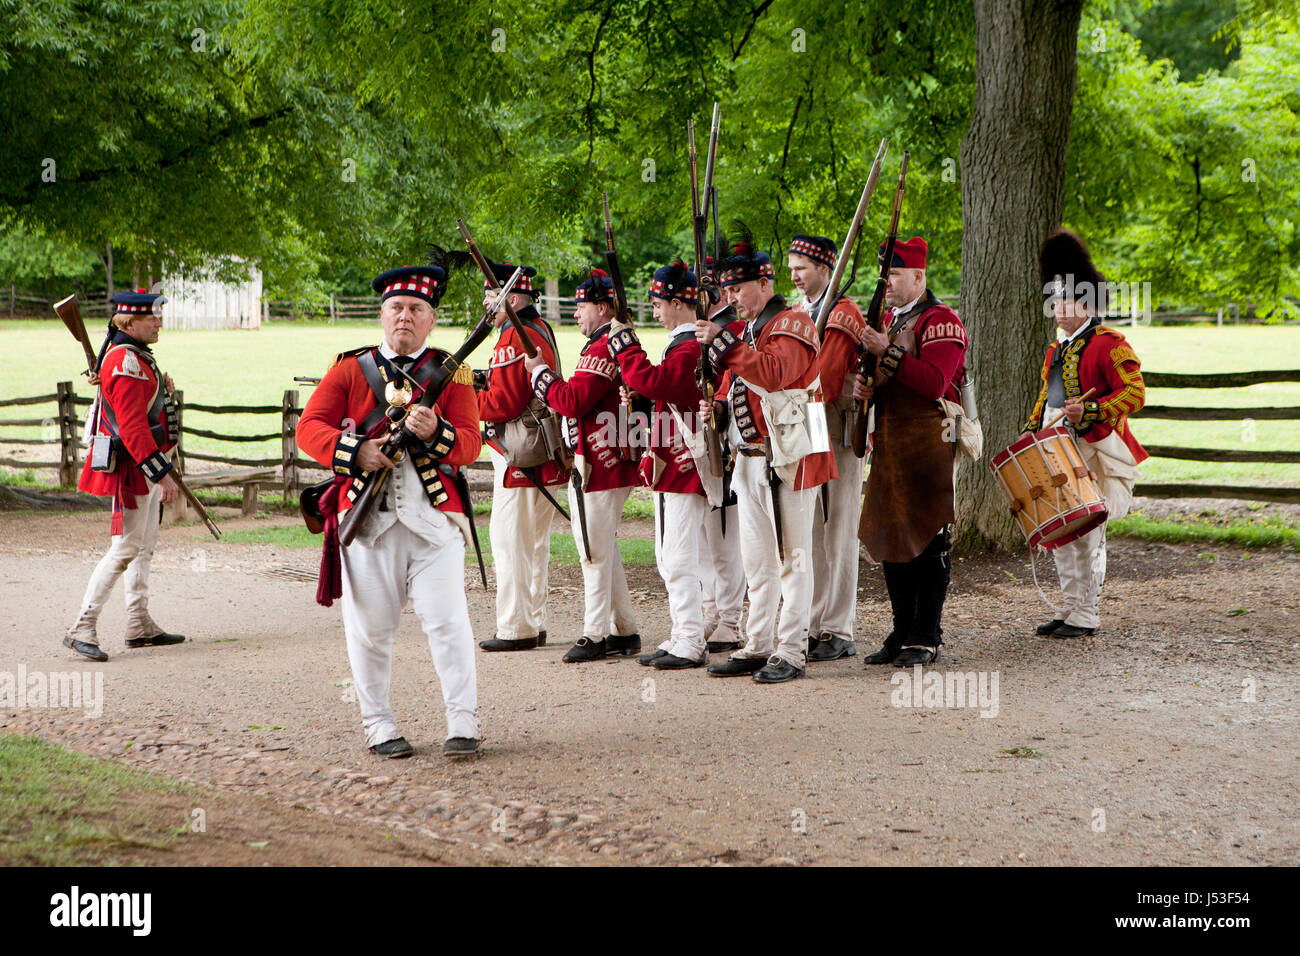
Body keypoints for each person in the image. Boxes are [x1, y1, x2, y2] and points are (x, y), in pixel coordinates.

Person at [296, 264, 483, 759]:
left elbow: (469, 444)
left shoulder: (453, 370)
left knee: (448, 623)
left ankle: (463, 723)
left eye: (416, 309)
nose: (405, 316)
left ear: (431, 319)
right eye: (396, 308)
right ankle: (378, 724)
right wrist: (354, 450)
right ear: (382, 315)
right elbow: (309, 429)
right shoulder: (349, 369)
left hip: (433, 522)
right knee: (371, 631)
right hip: (368, 520)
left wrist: (434, 432)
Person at [695, 240, 836, 684]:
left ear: (763, 282)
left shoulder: (792, 323)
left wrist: (724, 344)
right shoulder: (747, 332)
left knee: (792, 558)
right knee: (756, 559)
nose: (731, 298)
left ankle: (791, 650)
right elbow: (731, 390)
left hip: (791, 457)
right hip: (751, 457)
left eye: (738, 289)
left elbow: (775, 373)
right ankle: (758, 644)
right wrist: (715, 411)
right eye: (727, 290)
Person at [1027, 228, 1147, 638]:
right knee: (1062, 531)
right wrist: (1030, 432)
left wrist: (1092, 408)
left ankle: (1087, 613)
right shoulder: (1054, 351)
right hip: (1057, 447)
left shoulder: (1109, 344)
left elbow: (1135, 393)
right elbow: (1047, 397)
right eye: (1054, 301)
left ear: (1085, 303)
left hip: (1094, 451)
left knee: (1090, 535)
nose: (1056, 308)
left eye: (1064, 301)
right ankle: (1070, 608)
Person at [854, 236, 968, 667]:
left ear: (919, 276)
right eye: (884, 276)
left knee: (928, 536)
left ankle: (927, 634)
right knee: (891, 535)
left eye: (895, 275)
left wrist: (888, 351)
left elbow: (935, 383)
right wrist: (864, 383)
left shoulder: (941, 321)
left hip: (929, 440)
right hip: (890, 439)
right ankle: (902, 630)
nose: (886, 283)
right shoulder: (888, 318)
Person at [525, 269, 641, 662]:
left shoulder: (601, 346)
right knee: (603, 547)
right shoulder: (604, 342)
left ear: (603, 307)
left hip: (599, 463)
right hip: (604, 458)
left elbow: (572, 401)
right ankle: (624, 630)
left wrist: (540, 373)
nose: (576, 312)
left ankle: (594, 635)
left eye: (582, 305)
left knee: (591, 550)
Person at [64, 289, 184, 663]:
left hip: (145, 466)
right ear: (128, 323)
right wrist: (162, 475)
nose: (159, 322)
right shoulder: (126, 363)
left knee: (143, 547)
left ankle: (138, 623)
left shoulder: (134, 358)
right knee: (125, 549)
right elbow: (132, 430)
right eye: (152, 317)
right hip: (136, 469)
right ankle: (82, 626)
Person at [605, 261, 710, 669]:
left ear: (681, 304)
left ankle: (689, 638)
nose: (656, 310)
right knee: (677, 555)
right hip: (677, 460)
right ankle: (686, 632)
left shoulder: (689, 347)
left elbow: (661, 382)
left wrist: (627, 346)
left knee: (677, 556)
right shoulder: (681, 344)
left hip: (683, 464)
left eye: (660, 302)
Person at [473, 261, 568, 652]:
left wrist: (464, 399)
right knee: (532, 542)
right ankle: (532, 620)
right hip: (539, 451)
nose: (485, 303)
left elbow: (504, 403)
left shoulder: (516, 336)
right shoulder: (536, 329)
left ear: (512, 298)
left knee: (510, 540)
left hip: (521, 453)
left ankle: (516, 627)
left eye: (491, 296)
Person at [788, 234, 865, 662]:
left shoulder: (841, 313)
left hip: (836, 427)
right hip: (805, 428)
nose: (795, 276)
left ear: (825, 268)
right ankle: (814, 621)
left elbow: (830, 377)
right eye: (792, 268)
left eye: (802, 268)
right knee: (812, 530)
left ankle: (838, 627)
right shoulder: (802, 313)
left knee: (839, 530)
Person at [698, 255, 746, 654]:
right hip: (712, 430)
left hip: (735, 435)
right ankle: (714, 609)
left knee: (730, 535)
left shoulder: (734, 329)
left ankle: (731, 618)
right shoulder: (710, 330)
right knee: (711, 534)